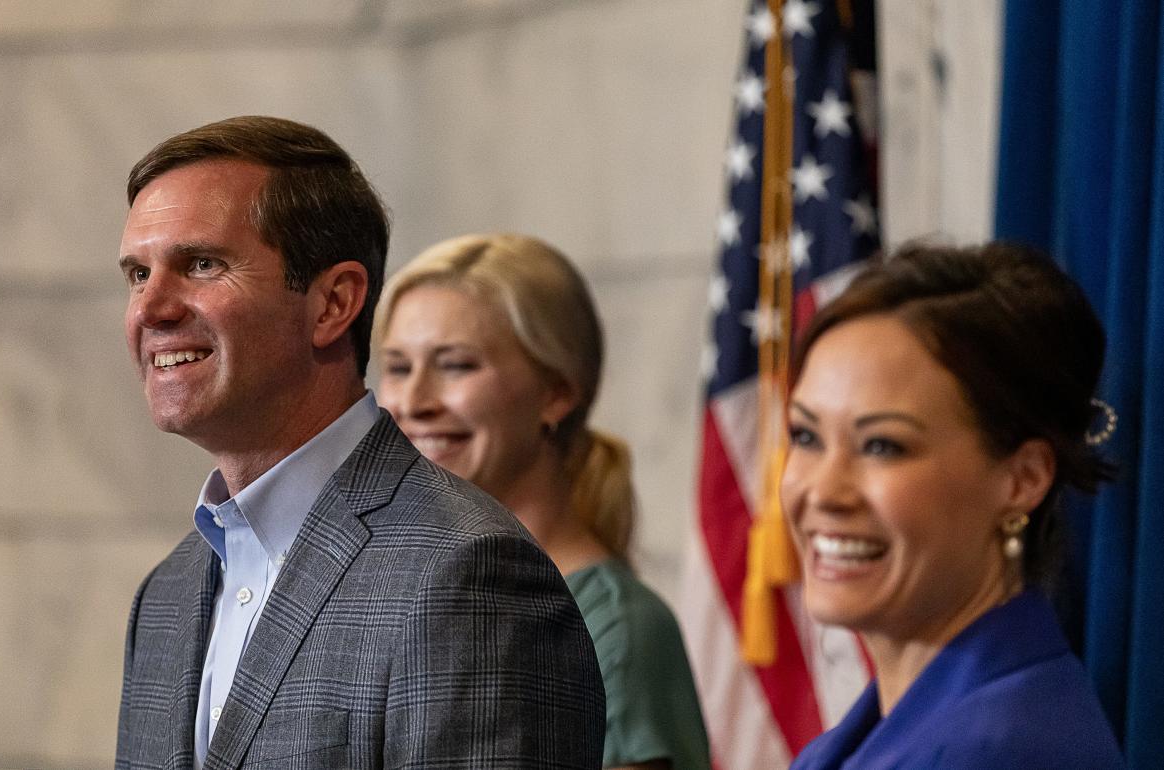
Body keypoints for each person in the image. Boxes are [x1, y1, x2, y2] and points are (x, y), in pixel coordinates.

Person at [113, 117, 604, 770]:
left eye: (202, 264)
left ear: (332, 304)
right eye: (137, 273)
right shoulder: (167, 593)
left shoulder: (465, 573)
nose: (151, 308)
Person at [374, 233, 711, 770]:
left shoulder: (619, 632)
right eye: (397, 367)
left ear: (555, 392)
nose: (413, 403)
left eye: (456, 365)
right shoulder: (390, 594)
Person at [782, 241, 1124, 768]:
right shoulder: (875, 738)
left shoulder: (1003, 750)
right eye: (806, 437)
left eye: (881, 446)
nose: (823, 492)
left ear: (1023, 479)